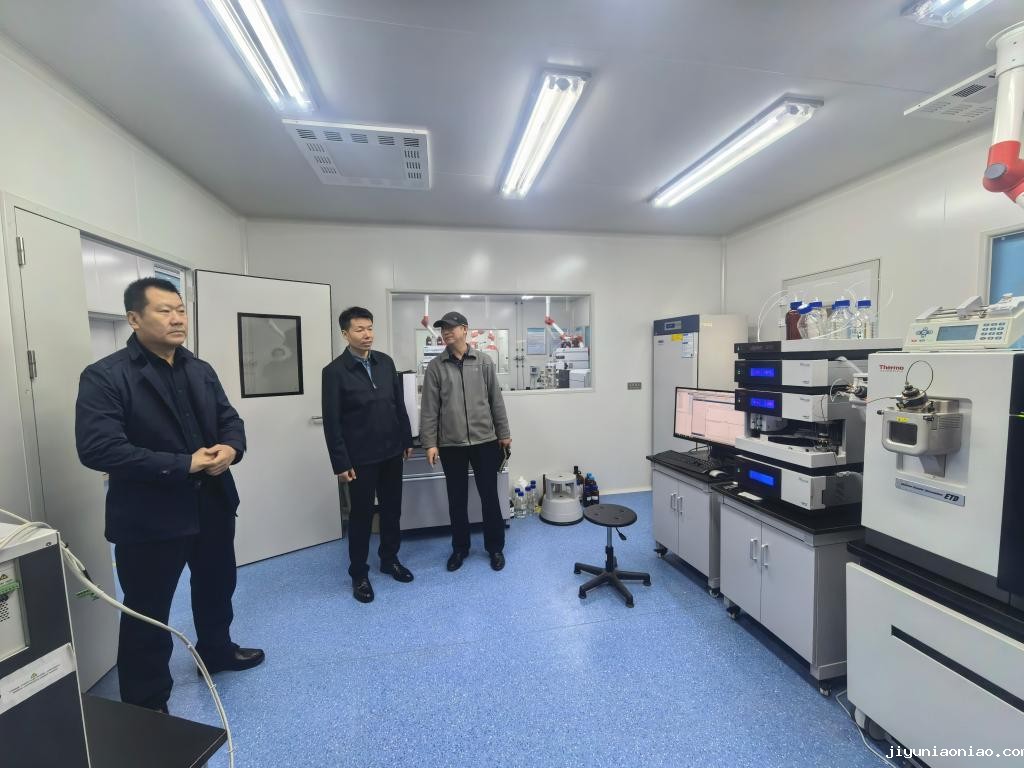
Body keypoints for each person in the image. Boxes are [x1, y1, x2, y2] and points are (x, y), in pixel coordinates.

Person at [75, 277, 263, 714]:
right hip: (150, 514)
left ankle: (216, 651)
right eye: (164, 310)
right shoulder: (106, 376)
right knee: (148, 607)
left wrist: (230, 448)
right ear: (134, 318)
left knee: (216, 585)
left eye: (181, 310)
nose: (178, 318)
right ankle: (147, 700)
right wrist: (184, 464)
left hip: (212, 503)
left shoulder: (200, 369)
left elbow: (230, 419)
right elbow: (99, 449)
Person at [322, 307, 415, 603]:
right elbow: (332, 421)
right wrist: (340, 462)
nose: (367, 334)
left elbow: (398, 405)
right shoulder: (334, 372)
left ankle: (389, 559)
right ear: (345, 334)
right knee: (361, 516)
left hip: (391, 451)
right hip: (360, 458)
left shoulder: (385, 362)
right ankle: (359, 573)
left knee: (392, 510)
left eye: (370, 328)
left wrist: (406, 438)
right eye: (360, 329)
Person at [419, 311, 512, 572]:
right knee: (457, 500)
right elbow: (429, 409)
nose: (446, 332)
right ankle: (460, 548)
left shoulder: (483, 362)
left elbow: (496, 401)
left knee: (489, 497)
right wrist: (430, 443)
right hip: (451, 444)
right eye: (443, 329)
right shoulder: (436, 366)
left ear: (465, 329)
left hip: (485, 441)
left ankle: (495, 548)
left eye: (451, 327)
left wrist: (504, 434)